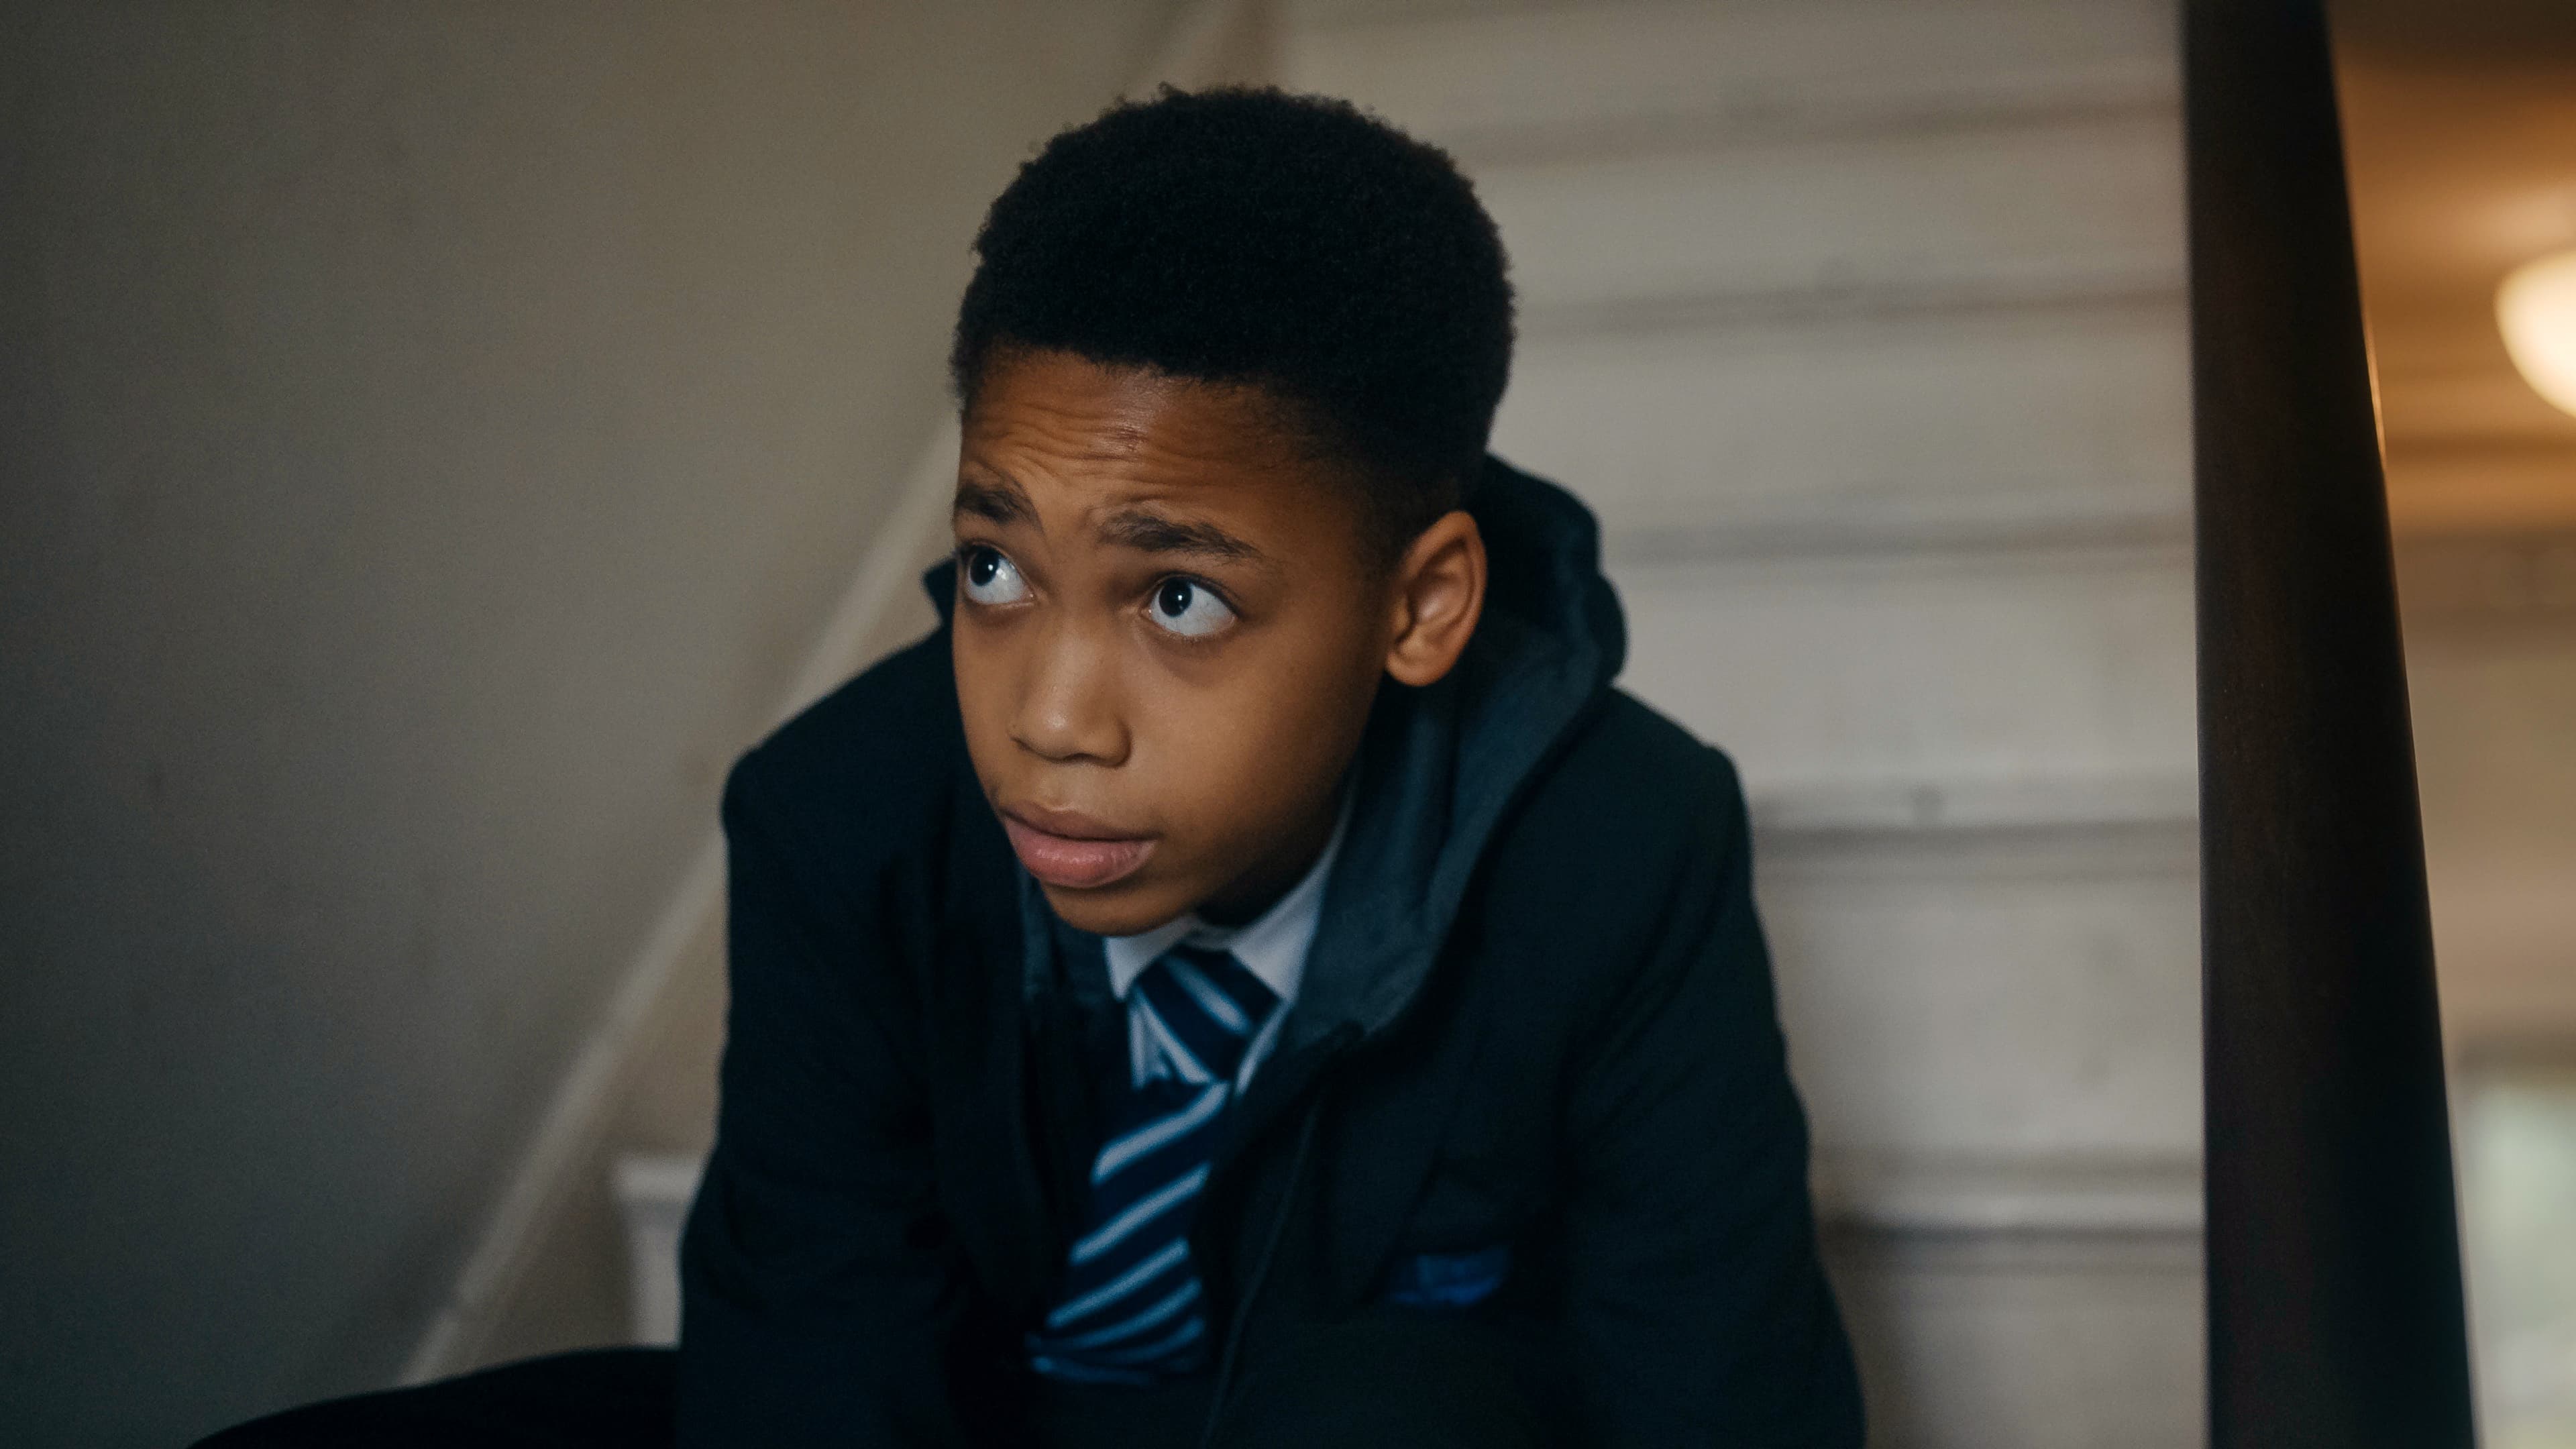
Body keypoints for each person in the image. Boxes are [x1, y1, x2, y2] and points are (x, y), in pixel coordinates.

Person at [201, 85, 1862, 1449]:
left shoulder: (1621, 849)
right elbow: (818, 1355)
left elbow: (1720, 1400)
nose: (1051, 719)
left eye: (1181, 597)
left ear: (1419, 608)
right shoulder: (842, 817)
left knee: (1389, 1412)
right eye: (998, 568)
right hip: (969, 1419)